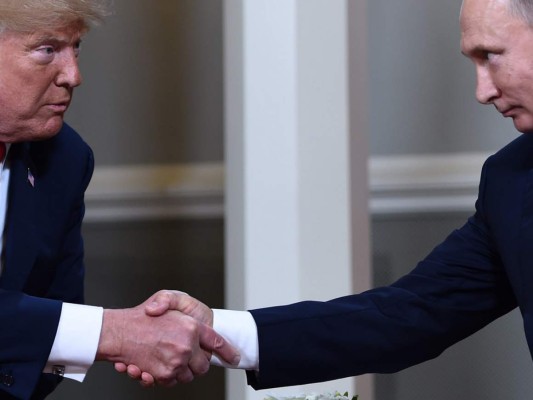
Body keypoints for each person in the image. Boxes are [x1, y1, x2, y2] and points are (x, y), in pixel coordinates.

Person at [119, 0, 533, 391]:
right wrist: (214, 330)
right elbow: (410, 314)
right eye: (473, 62)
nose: (482, 92)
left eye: (490, 55)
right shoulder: (510, 181)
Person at [0, 1, 239, 398]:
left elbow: (57, 319)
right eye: (47, 50)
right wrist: (115, 333)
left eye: (76, 48)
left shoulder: (64, 159)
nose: (74, 76)